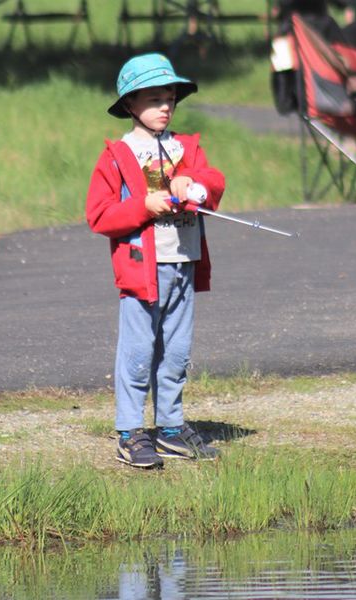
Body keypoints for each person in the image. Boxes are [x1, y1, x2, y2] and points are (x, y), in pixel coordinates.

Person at [86, 53, 225, 469]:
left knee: (177, 351)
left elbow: (214, 182)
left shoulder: (187, 148)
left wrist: (193, 183)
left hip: (183, 262)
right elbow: (100, 216)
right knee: (138, 351)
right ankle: (130, 433)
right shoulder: (118, 154)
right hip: (142, 271)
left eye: (169, 98)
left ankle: (170, 428)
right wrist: (144, 206)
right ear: (130, 105)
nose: (164, 107)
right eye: (152, 99)